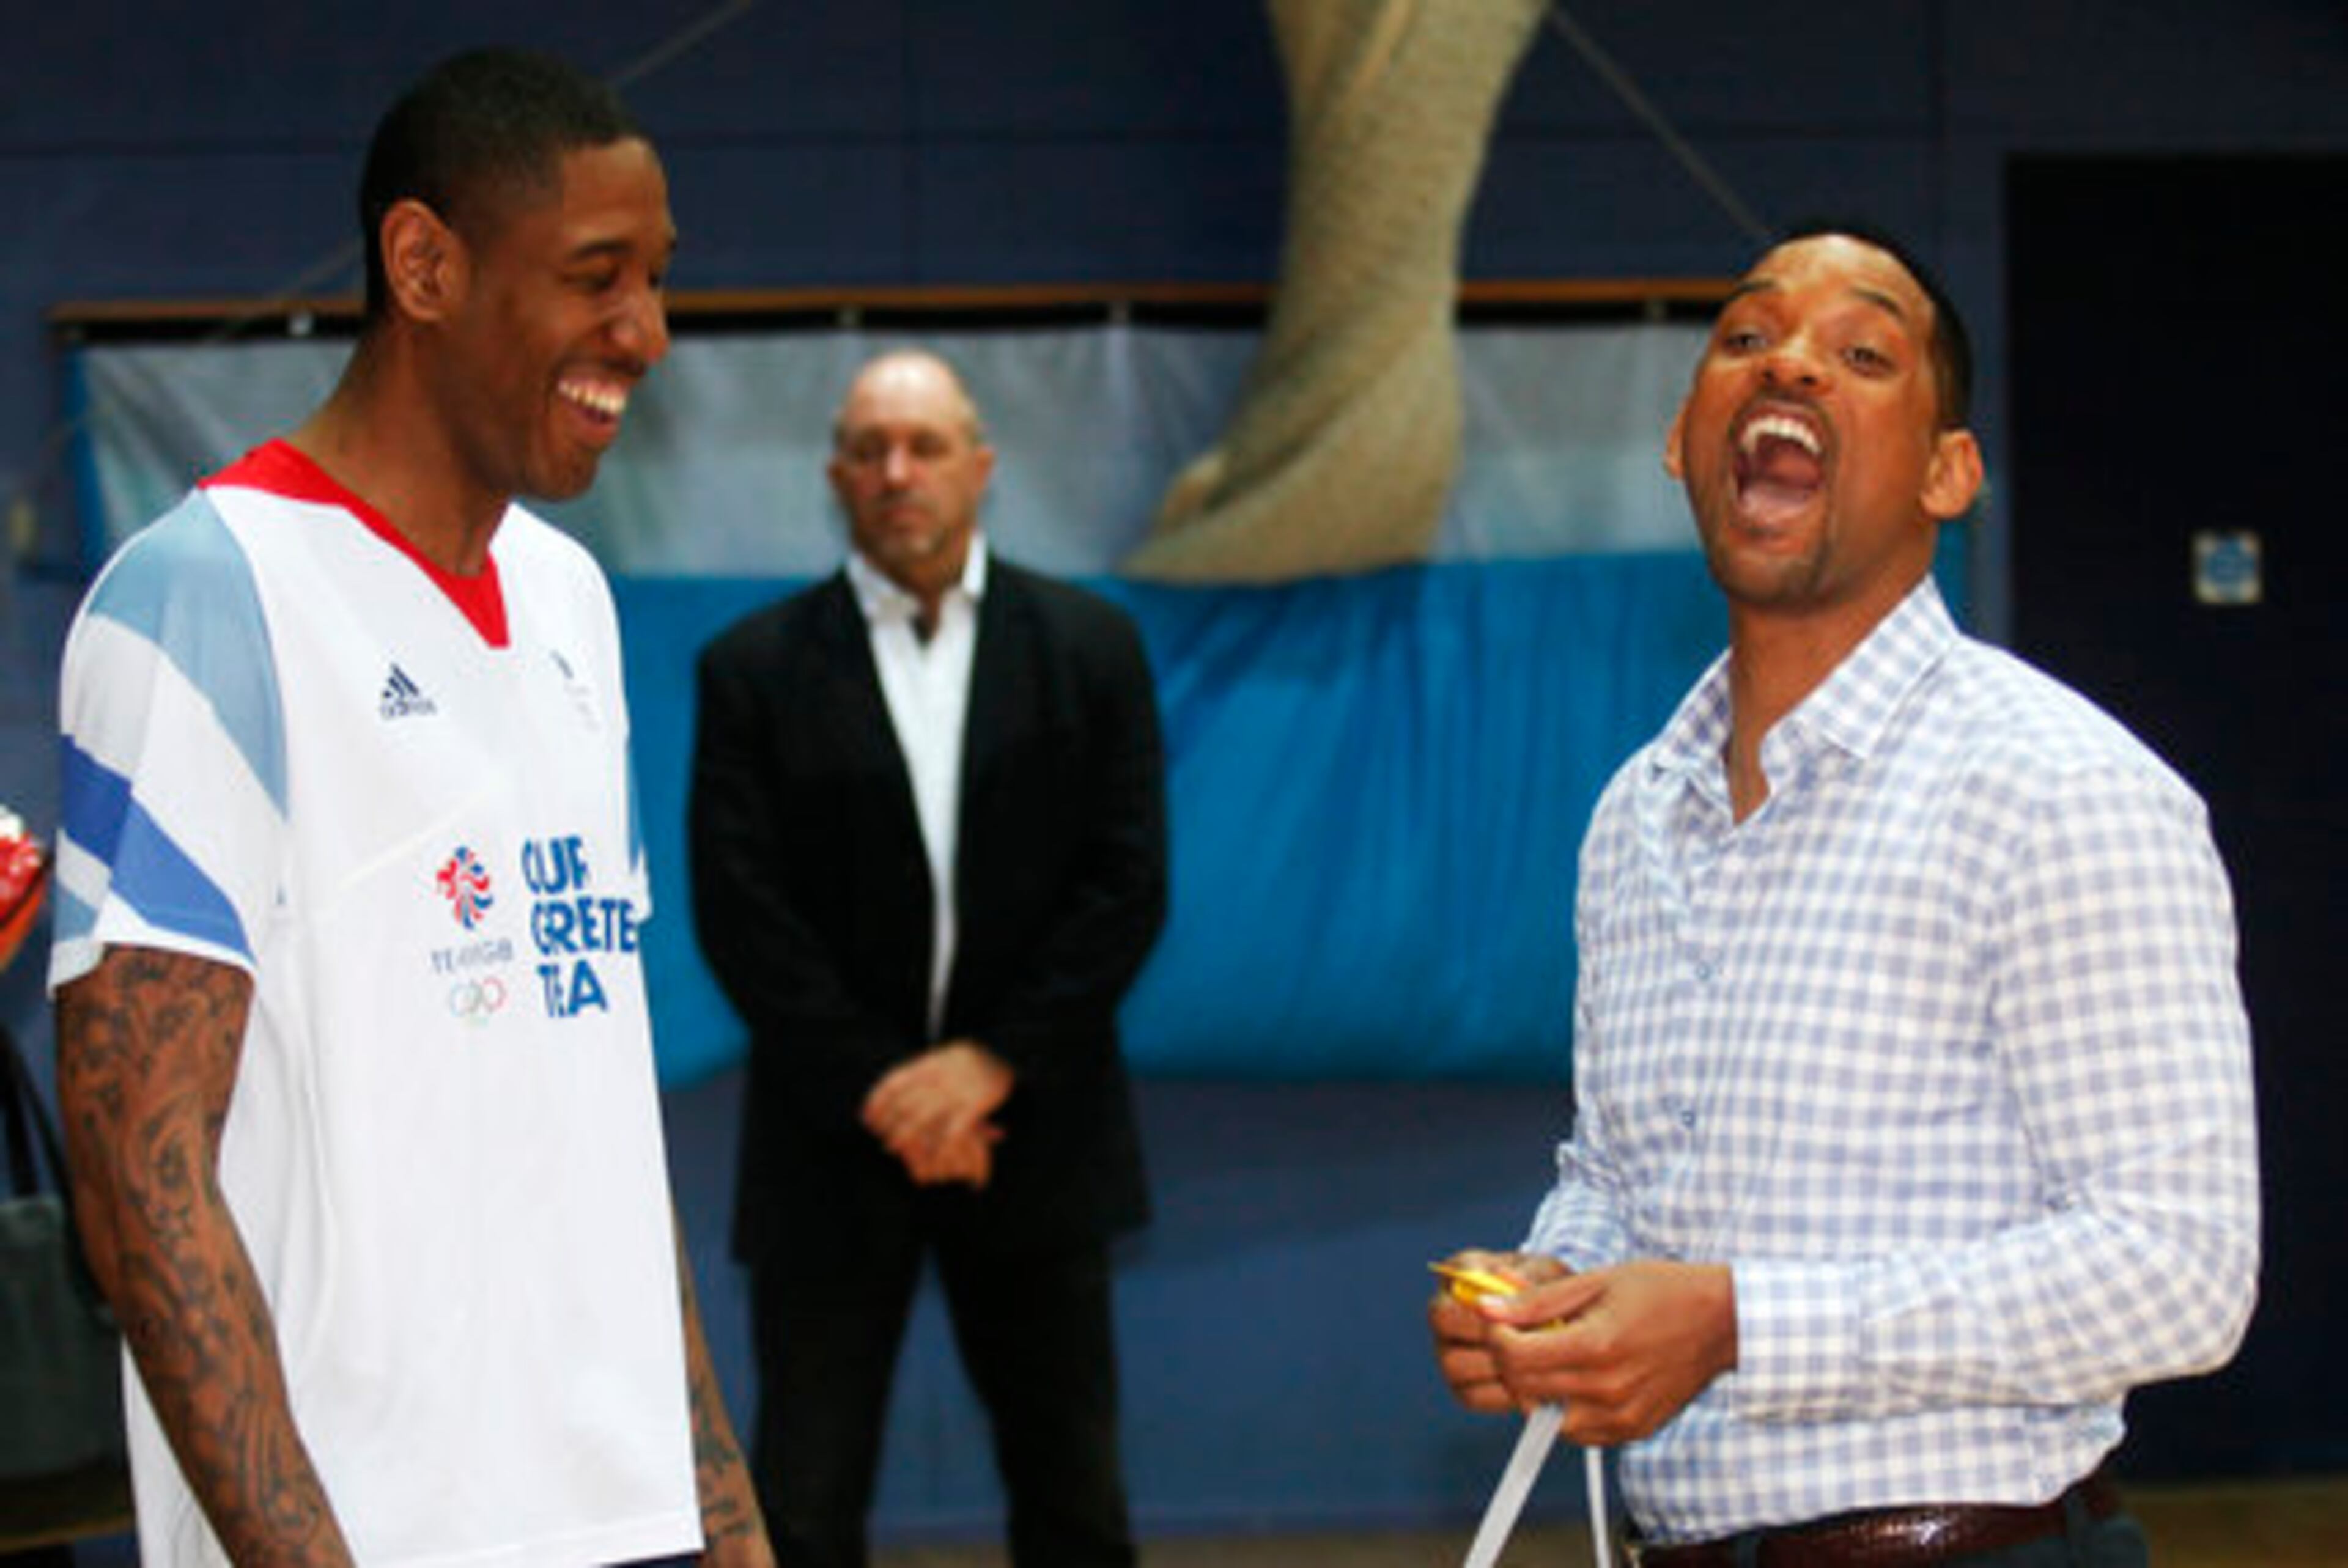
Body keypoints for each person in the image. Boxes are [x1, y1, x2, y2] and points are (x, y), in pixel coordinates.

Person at [1429, 224, 2258, 1564]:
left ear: (1949, 473)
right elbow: (1621, 1173)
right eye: (1748, 339)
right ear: (1682, 442)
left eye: (1862, 352)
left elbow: (2180, 1270)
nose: (1792, 366)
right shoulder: (1636, 812)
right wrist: (1555, 1286)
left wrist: (1739, 1320)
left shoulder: (2060, 786)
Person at [48, 48, 770, 1568]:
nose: (645, 331)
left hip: (621, 1516)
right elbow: (140, 1178)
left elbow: (597, 1126)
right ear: (424, 264)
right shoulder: (205, 599)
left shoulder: (572, 604)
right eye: (596, 276)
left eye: (655, 278)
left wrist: (726, 1521)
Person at [689, 348, 1168, 1568]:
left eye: (925, 445)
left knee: (1075, 1497)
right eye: (869, 449)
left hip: (1036, 1131)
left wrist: (989, 1065)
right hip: (831, 1145)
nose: (897, 472)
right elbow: (742, 912)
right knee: (803, 1502)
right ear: (836, 475)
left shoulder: (1091, 645)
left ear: (981, 465)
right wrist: (892, 1088)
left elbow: (1126, 889)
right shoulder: (751, 669)